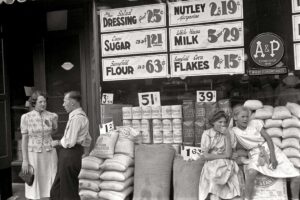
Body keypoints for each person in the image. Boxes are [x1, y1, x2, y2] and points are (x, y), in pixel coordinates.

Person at [230, 105, 300, 200]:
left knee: (296, 177)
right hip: (255, 153)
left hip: (271, 149)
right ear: (235, 117)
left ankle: (295, 198)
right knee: (251, 172)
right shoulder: (233, 131)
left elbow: (268, 139)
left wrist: (273, 156)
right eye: (242, 117)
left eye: (247, 116)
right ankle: (247, 198)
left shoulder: (255, 123)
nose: (245, 119)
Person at [50, 91, 91, 200]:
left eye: (65, 101)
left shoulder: (77, 118)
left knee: (68, 191)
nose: (63, 104)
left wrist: (57, 142)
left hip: (70, 154)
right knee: (57, 189)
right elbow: (87, 138)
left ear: (72, 102)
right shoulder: (79, 117)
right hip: (71, 155)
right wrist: (85, 152)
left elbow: (70, 142)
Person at [20, 90, 58, 200]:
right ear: (34, 103)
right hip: (33, 155)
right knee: (35, 181)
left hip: (49, 153)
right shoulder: (26, 117)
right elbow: (24, 140)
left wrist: (51, 126)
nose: (43, 104)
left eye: (45, 101)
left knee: (50, 179)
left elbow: (54, 132)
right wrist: (25, 160)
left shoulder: (52, 116)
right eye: (40, 102)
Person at [199, 110, 241, 200]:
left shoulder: (229, 133)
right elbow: (206, 155)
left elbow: (229, 153)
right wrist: (224, 156)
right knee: (214, 184)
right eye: (220, 122)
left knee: (234, 183)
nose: (223, 124)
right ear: (213, 122)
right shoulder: (207, 134)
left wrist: (227, 136)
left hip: (227, 164)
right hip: (212, 164)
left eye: (225, 122)